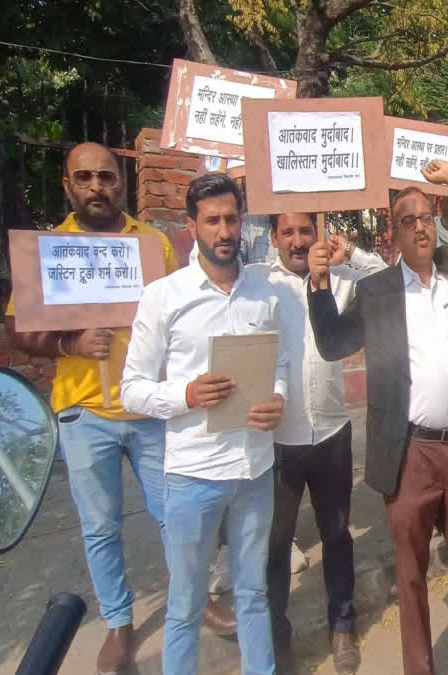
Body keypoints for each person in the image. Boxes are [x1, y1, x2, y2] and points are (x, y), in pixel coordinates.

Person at [5, 142, 236, 675]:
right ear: (68, 185)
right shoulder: (50, 250)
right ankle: (118, 623)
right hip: (84, 415)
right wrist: (69, 344)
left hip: (152, 412)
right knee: (101, 526)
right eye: (83, 178)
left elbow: (187, 310)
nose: (96, 187)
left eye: (106, 177)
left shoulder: (151, 245)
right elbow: (16, 329)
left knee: (178, 516)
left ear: (122, 182)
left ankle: (195, 602)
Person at [307, 160, 448, 675]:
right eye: (407, 218)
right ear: (393, 233)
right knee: (412, 572)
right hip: (410, 453)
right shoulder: (376, 293)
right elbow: (332, 343)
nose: (420, 225)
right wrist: (319, 284)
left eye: (425, 215)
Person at [121, 173, 289, 675]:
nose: (223, 230)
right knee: (186, 605)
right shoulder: (164, 297)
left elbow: (277, 364)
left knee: (254, 594)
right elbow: (132, 388)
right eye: (211, 220)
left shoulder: (266, 289)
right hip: (193, 476)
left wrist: (277, 398)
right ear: (192, 225)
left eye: (231, 219)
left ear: (242, 222)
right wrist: (187, 394)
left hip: (255, 471)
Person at [249, 213, 386, 673]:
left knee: (336, 535)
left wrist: (349, 254)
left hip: (331, 432)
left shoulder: (342, 281)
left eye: (305, 231)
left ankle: (342, 626)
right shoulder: (257, 282)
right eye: (287, 232)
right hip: (278, 441)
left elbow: (386, 278)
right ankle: (278, 641)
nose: (297, 241)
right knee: (276, 543)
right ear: (273, 238)